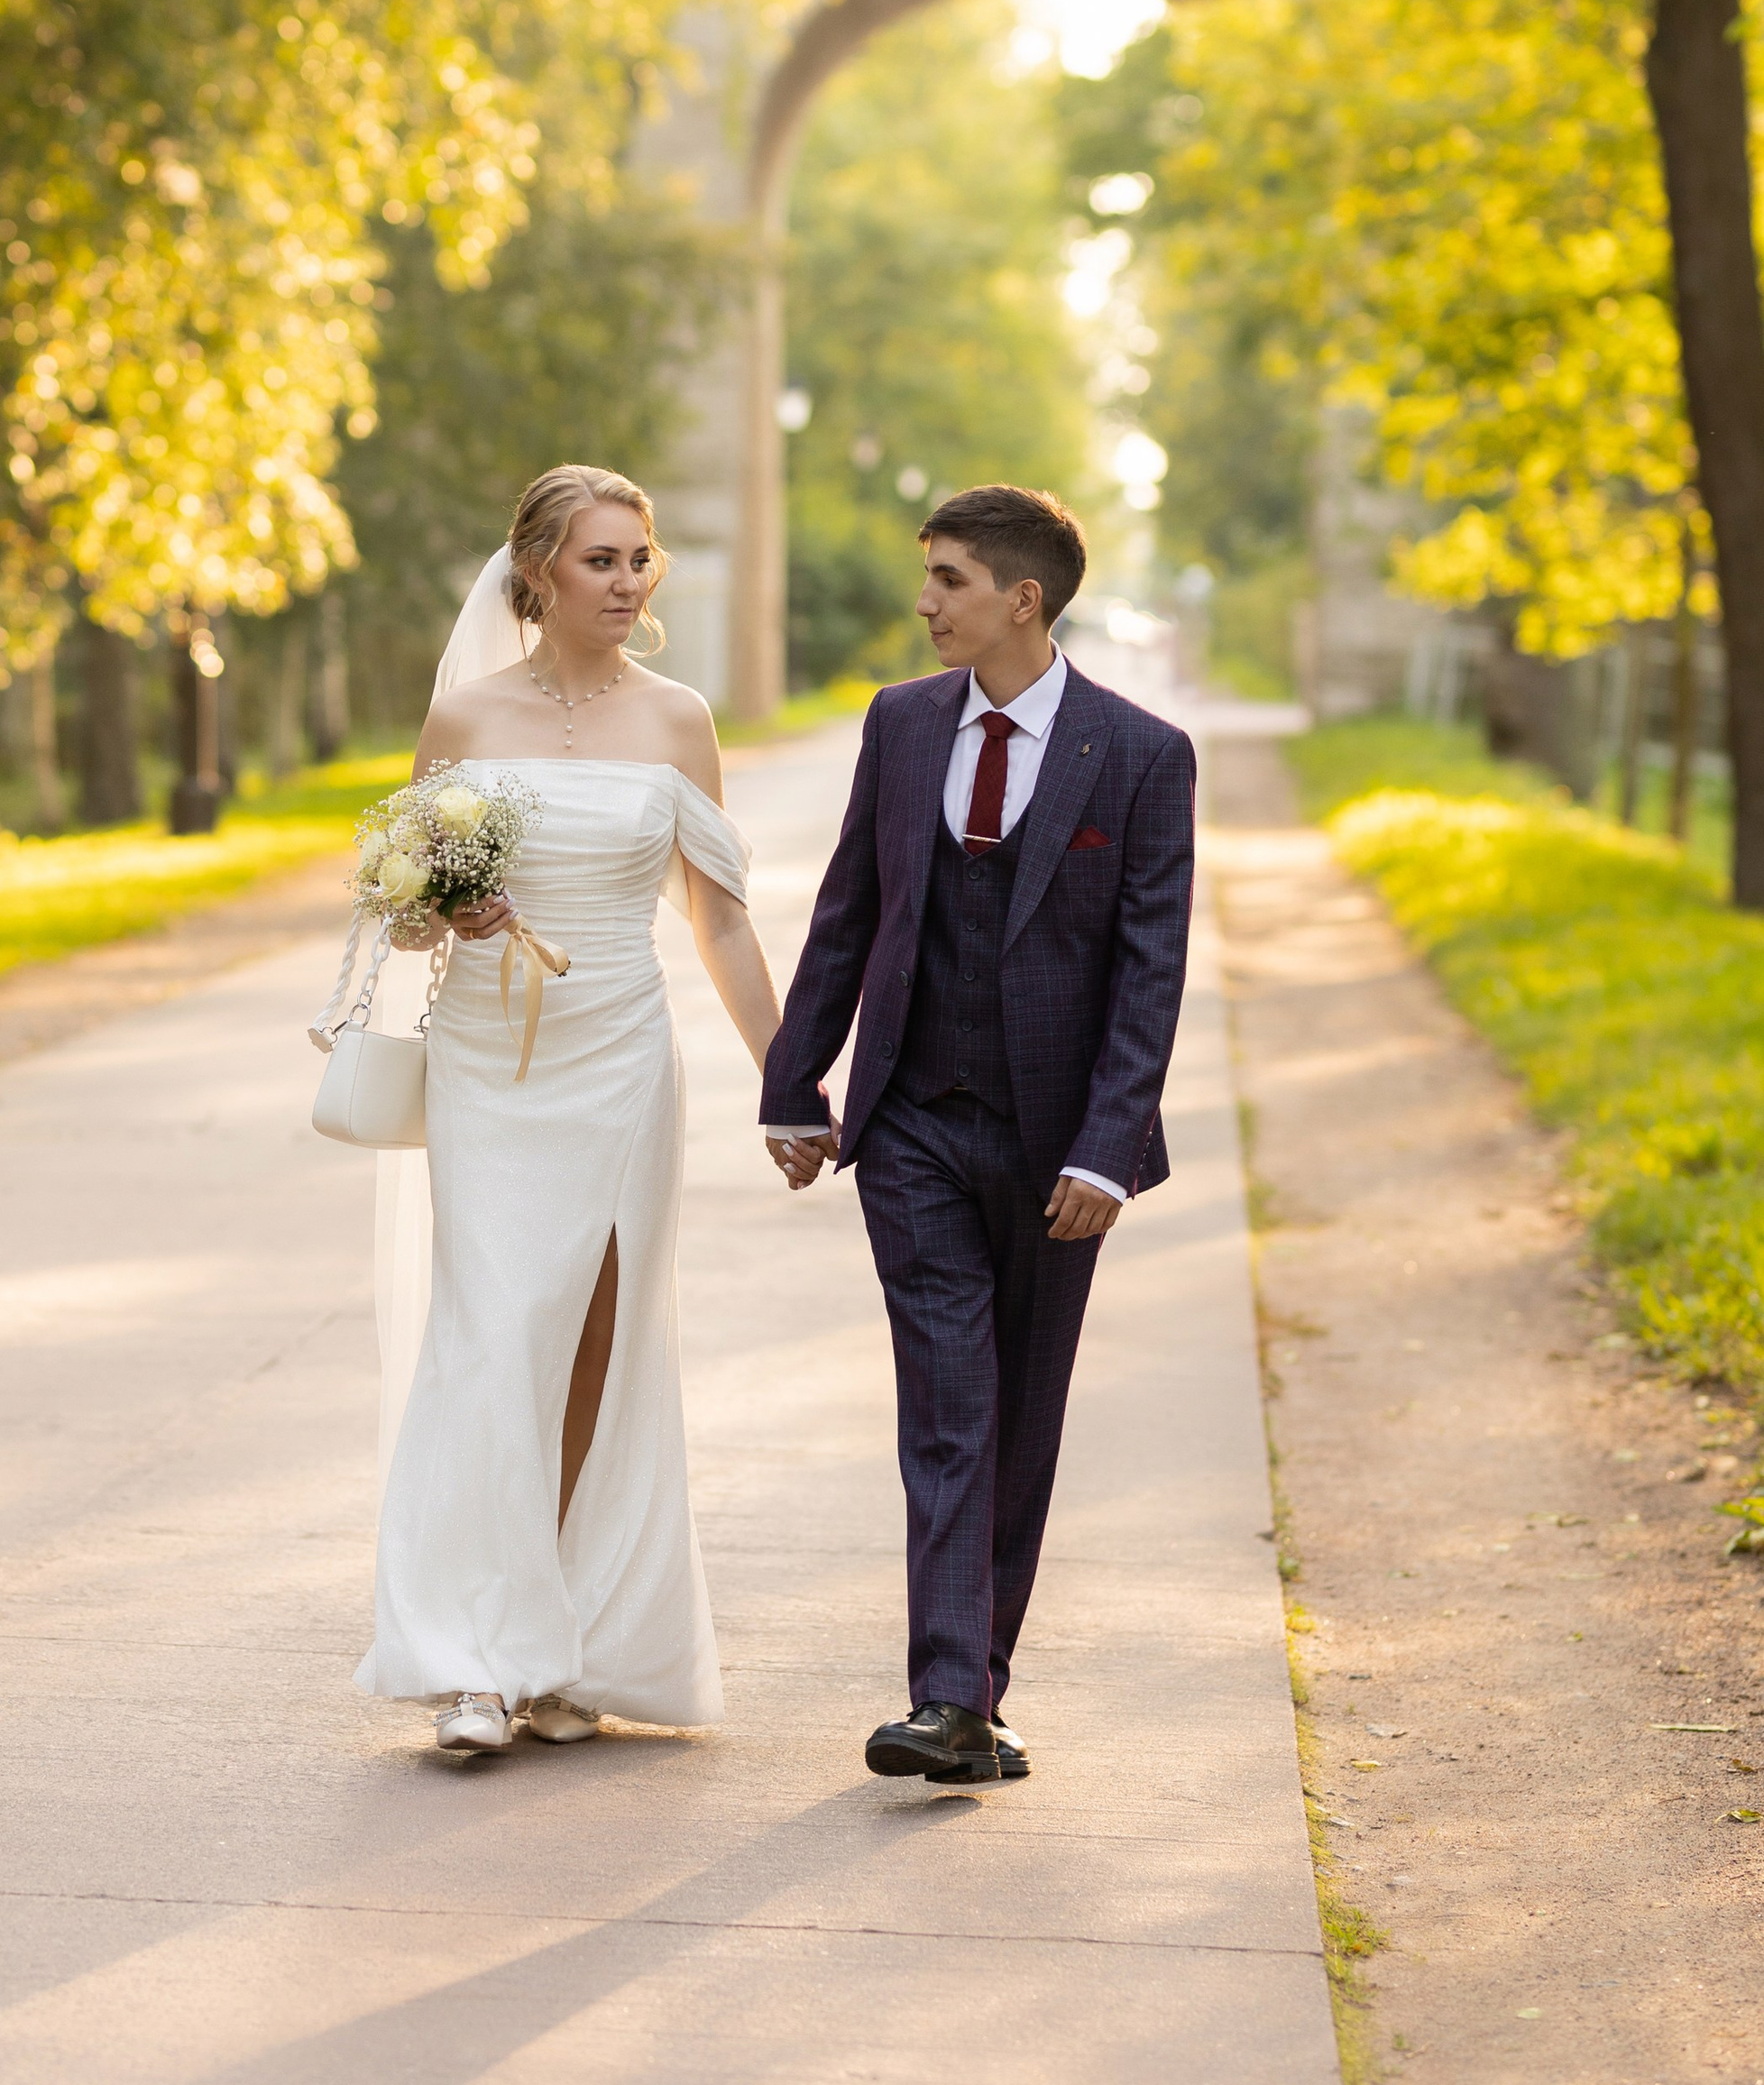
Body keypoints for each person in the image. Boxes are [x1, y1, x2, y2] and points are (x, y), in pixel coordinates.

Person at [760, 484, 1194, 1786]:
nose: (925, 603)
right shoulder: (899, 727)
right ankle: (947, 1694)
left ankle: (978, 1693)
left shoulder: (1140, 753)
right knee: (953, 1401)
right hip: (912, 1130)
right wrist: (797, 1084)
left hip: (1063, 1148)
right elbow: (850, 912)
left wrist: (1107, 1147)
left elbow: (1148, 967)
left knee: (1024, 1411)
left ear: (1023, 598)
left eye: (947, 580)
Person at [355, 464, 786, 1756]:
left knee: (601, 1338)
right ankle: (471, 1658)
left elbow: (718, 915)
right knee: (493, 1331)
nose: (629, 582)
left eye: (640, 558)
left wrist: (792, 1073)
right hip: (493, 1058)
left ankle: (560, 1647)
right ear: (535, 570)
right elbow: (402, 912)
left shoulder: (678, 719)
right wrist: (451, 907)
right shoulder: (465, 714)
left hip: (620, 1056)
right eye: (602, 559)